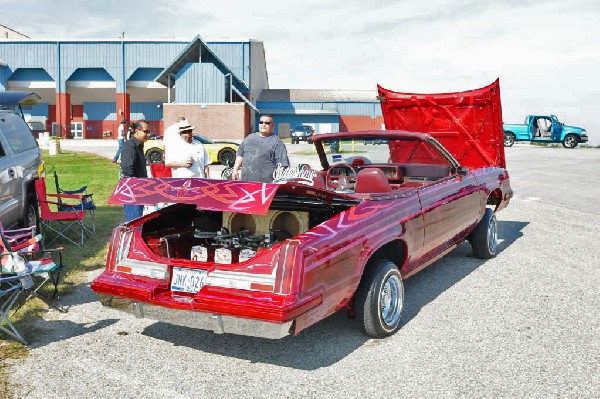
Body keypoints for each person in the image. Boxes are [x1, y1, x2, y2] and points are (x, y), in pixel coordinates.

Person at [232, 114, 289, 183]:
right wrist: (235, 170)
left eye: (267, 123)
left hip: (266, 185)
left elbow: (282, 165)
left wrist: (277, 181)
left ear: (272, 125)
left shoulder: (277, 143)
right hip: (246, 182)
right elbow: (240, 155)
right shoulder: (249, 138)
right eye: (261, 122)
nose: (263, 124)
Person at [120, 120, 150, 222]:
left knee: (139, 220)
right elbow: (127, 168)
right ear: (136, 131)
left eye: (149, 131)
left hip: (139, 189)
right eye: (146, 131)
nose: (148, 134)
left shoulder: (139, 145)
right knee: (134, 222)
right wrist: (136, 186)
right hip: (132, 190)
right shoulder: (130, 146)